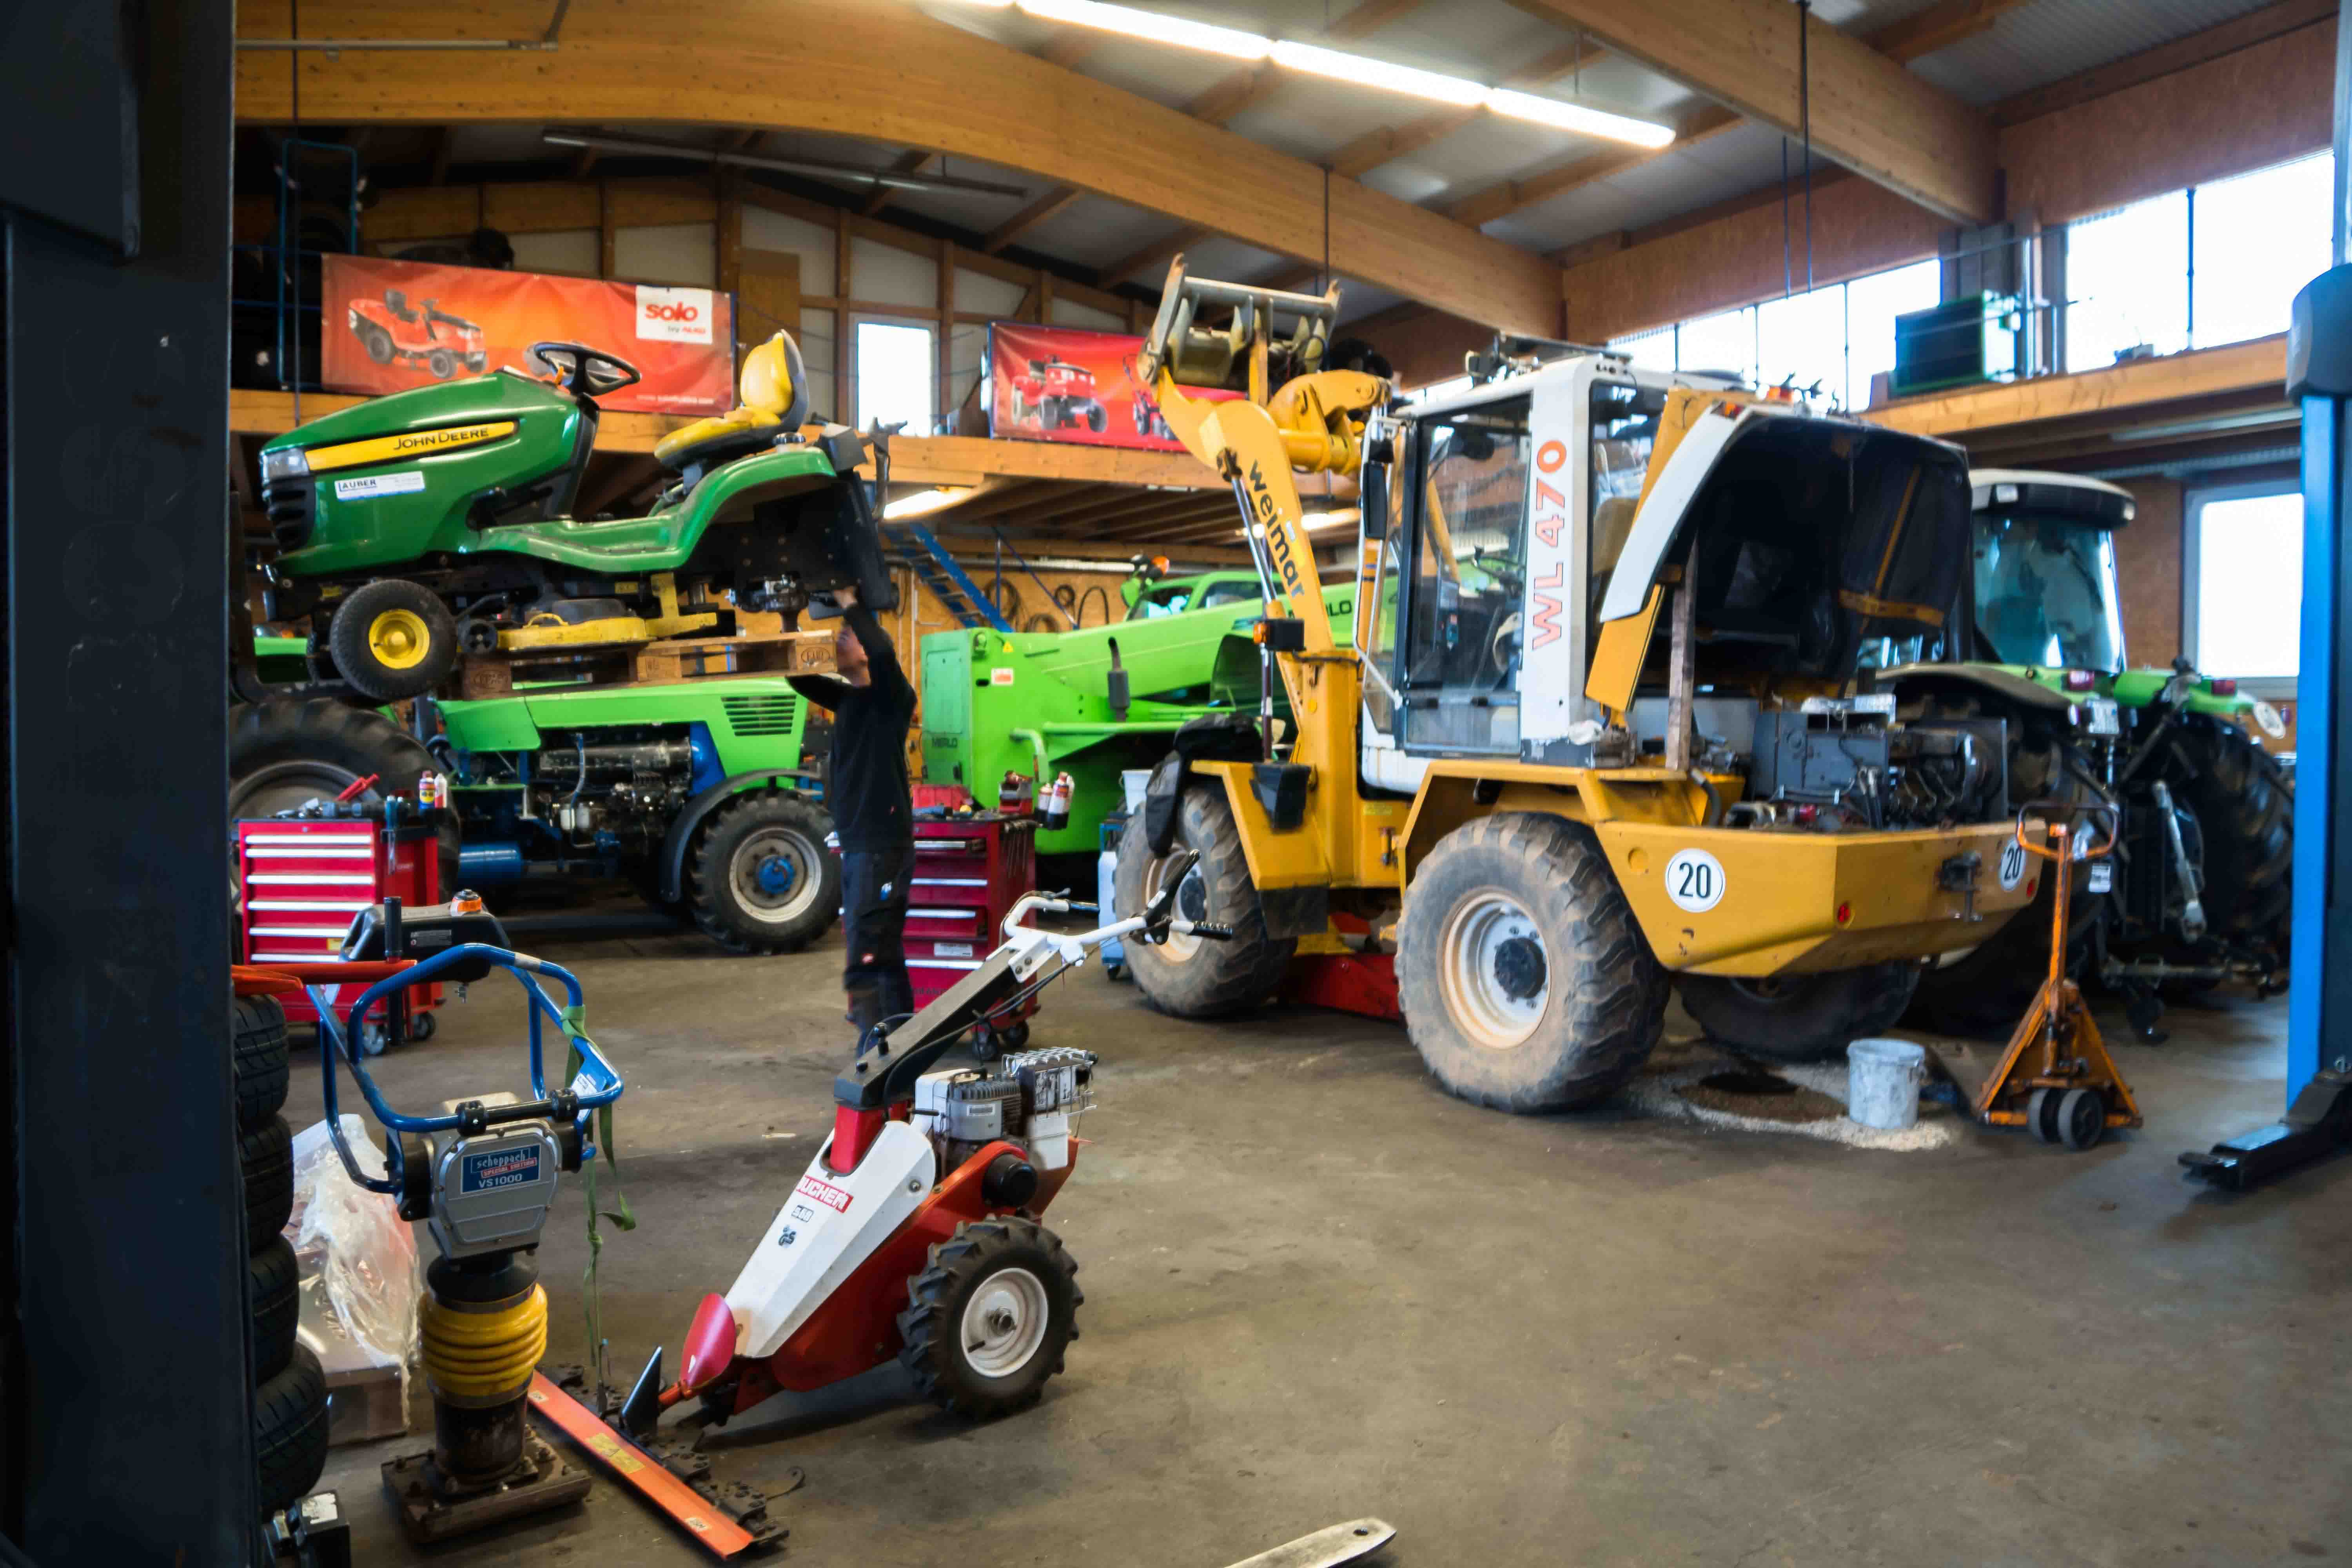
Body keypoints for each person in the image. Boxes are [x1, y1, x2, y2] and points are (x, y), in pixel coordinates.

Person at [786, 585, 916, 1038]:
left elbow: (881, 651)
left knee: (869, 949)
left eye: (848, 636)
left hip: (882, 846)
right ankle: (896, 1040)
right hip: (863, 846)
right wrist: (788, 619)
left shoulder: (893, 698)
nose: (840, 640)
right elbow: (797, 678)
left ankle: (876, 1048)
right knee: (876, 949)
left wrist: (850, 603)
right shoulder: (847, 700)